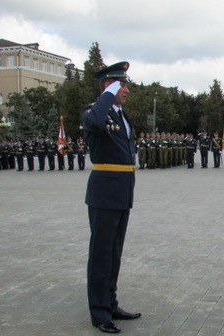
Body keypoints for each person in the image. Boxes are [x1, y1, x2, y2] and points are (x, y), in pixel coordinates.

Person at [82, 61, 141, 334]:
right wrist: (107, 94)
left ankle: (111, 303)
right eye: (123, 84)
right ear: (110, 85)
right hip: (104, 194)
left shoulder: (120, 114)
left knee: (114, 254)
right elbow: (94, 123)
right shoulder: (94, 112)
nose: (127, 89)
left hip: (121, 192)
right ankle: (99, 313)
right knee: (101, 254)